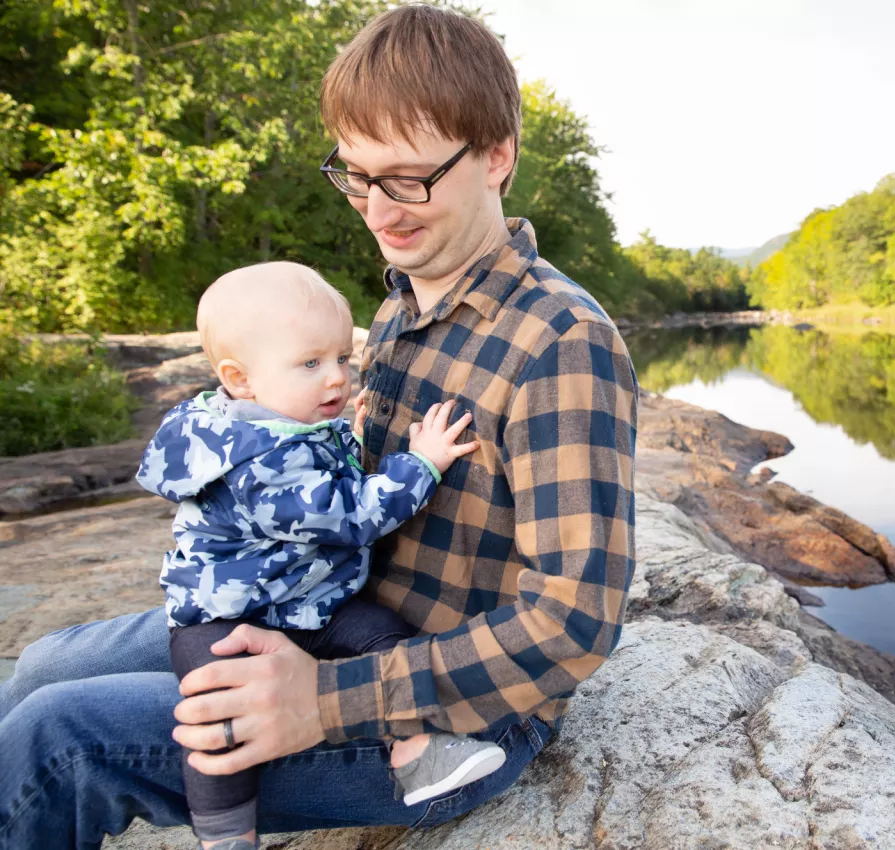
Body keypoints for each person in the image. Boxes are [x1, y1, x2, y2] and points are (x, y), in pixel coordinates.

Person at [0, 5, 637, 848]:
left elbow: (575, 621)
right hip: (311, 609)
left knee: (60, 735)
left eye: (408, 179)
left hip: (443, 722)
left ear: (496, 155)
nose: (380, 210)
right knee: (44, 665)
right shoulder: (403, 304)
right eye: (357, 176)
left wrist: (320, 703)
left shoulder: (562, 344)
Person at [146, 262, 507, 850]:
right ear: (240, 380)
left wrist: (349, 439)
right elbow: (348, 515)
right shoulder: (252, 461)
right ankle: (226, 835)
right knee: (219, 722)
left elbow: (317, 470)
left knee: (386, 636)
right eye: (311, 363)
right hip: (228, 621)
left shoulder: (282, 421)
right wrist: (423, 465)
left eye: (342, 357)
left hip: (307, 601)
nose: (337, 377)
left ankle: (416, 752)